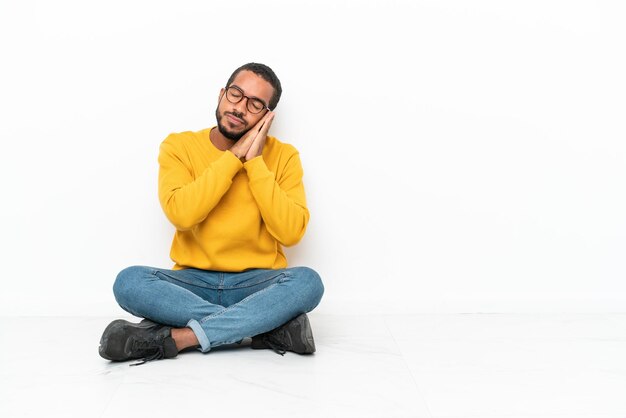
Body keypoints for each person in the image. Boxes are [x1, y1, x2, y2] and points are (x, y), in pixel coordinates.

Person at [98, 63, 324, 366]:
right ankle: (264, 328)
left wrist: (255, 162)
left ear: (268, 116)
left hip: (255, 284)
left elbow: (291, 233)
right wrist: (232, 159)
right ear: (221, 94)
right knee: (129, 282)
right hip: (191, 284)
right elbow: (182, 214)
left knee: (308, 282)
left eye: (255, 104)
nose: (240, 108)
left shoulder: (284, 156)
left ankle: (180, 338)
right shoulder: (179, 146)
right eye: (235, 94)